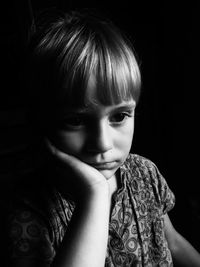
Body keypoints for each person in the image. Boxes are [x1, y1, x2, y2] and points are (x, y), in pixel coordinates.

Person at [5, 8, 200, 267]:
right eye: (75, 121)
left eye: (119, 116)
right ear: (40, 123)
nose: (103, 144)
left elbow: (172, 242)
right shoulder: (27, 213)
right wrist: (94, 194)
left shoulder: (143, 173)